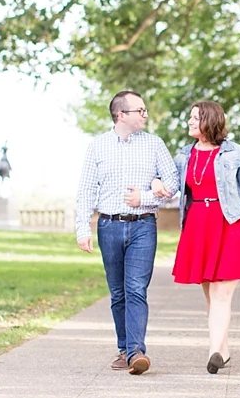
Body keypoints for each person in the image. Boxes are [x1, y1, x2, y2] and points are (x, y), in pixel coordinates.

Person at [74, 89, 178, 375]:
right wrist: (83, 228)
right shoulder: (98, 146)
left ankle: (136, 352)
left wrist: (146, 197)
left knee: (136, 289)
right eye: (139, 110)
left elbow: (173, 182)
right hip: (108, 226)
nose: (145, 114)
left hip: (143, 225)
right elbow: (86, 190)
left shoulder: (154, 144)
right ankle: (124, 349)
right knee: (118, 292)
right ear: (121, 115)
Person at [157, 100, 240, 373]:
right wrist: (156, 184)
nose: (190, 121)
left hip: (230, 225)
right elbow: (168, 185)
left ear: (210, 120)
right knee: (211, 296)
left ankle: (213, 352)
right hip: (198, 227)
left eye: (195, 117)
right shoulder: (184, 155)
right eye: (190, 117)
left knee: (221, 292)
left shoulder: (236, 153)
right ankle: (222, 352)